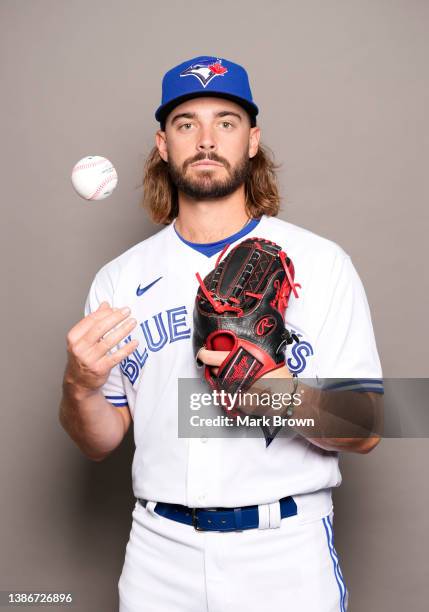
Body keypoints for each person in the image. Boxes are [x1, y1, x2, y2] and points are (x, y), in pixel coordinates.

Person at [59, 56, 383, 611]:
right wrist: (78, 386)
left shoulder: (321, 262)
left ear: (252, 140)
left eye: (226, 122)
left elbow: (368, 428)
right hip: (159, 555)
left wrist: (281, 398)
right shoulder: (118, 280)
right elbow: (99, 441)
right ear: (163, 144)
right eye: (186, 123)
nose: (206, 139)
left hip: (285, 553)